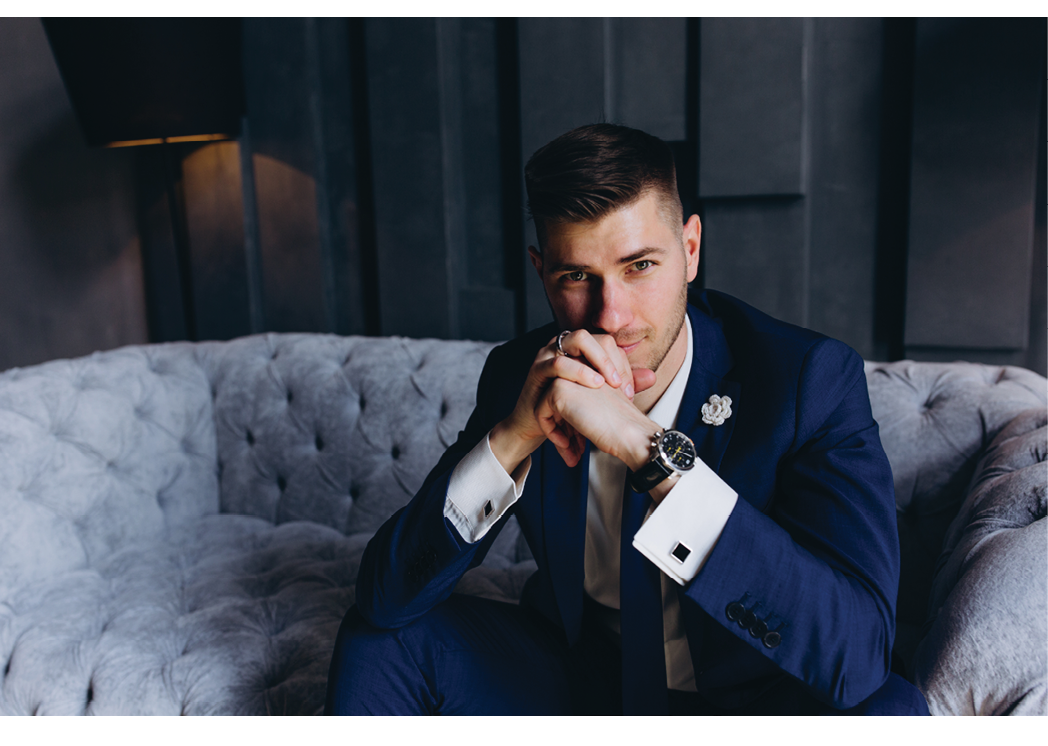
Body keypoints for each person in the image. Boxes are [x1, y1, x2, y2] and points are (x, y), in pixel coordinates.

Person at [325, 123, 929, 715]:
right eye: (577, 277)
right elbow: (385, 598)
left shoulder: (809, 379)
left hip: (757, 697)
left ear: (689, 251)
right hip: (586, 681)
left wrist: (650, 450)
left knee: (890, 710)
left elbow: (857, 653)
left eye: (640, 266)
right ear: (541, 272)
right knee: (382, 640)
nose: (611, 316)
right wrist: (511, 439)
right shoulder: (524, 375)